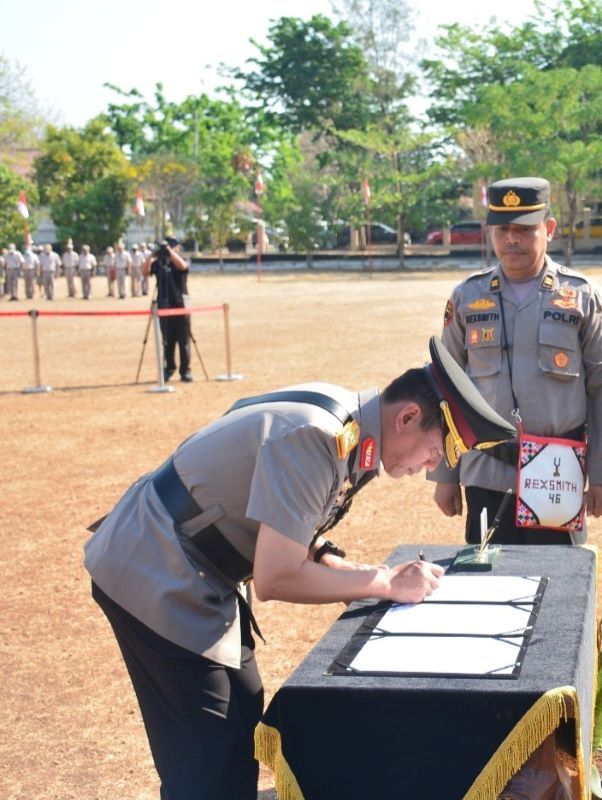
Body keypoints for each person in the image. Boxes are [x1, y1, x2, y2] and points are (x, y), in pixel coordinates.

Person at [84, 337, 516, 800]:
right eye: (435, 451)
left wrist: (334, 559)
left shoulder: (350, 423)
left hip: (192, 564)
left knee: (241, 710)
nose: (428, 467)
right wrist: (384, 582)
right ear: (408, 417)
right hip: (155, 566)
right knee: (208, 752)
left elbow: (278, 501)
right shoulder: (319, 436)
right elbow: (275, 576)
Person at [430, 177, 602, 545]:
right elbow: (445, 389)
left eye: (523, 229)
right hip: (484, 473)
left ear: (548, 229)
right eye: (502, 229)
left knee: (559, 586)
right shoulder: (468, 297)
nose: (511, 239)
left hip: (557, 471)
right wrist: (446, 473)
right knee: (486, 584)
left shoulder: (582, 297)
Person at [144, 237, 192, 382]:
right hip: (164, 306)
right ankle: (169, 367)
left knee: (183, 341)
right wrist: (151, 255)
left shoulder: (179, 261)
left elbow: (183, 266)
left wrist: (170, 252)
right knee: (167, 341)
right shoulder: (158, 264)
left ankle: (185, 371)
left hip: (180, 306)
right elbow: (144, 272)